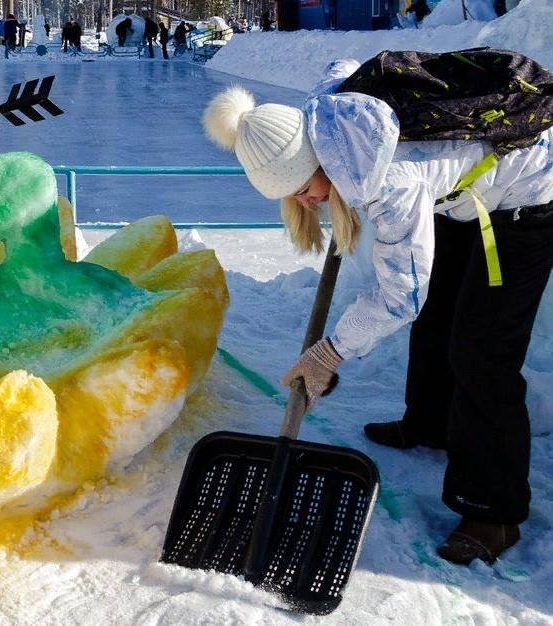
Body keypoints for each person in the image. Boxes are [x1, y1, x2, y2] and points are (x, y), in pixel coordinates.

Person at [203, 68, 553, 567]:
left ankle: (493, 511)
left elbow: (400, 294)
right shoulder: (325, 112)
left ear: (317, 159)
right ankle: (431, 423)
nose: (305, 201)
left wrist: (330, 352)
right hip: (459, 194)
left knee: (482, 351)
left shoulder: (389, 181)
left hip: (527, 193)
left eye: (304, 188)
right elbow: (341, 68)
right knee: (436, 320)